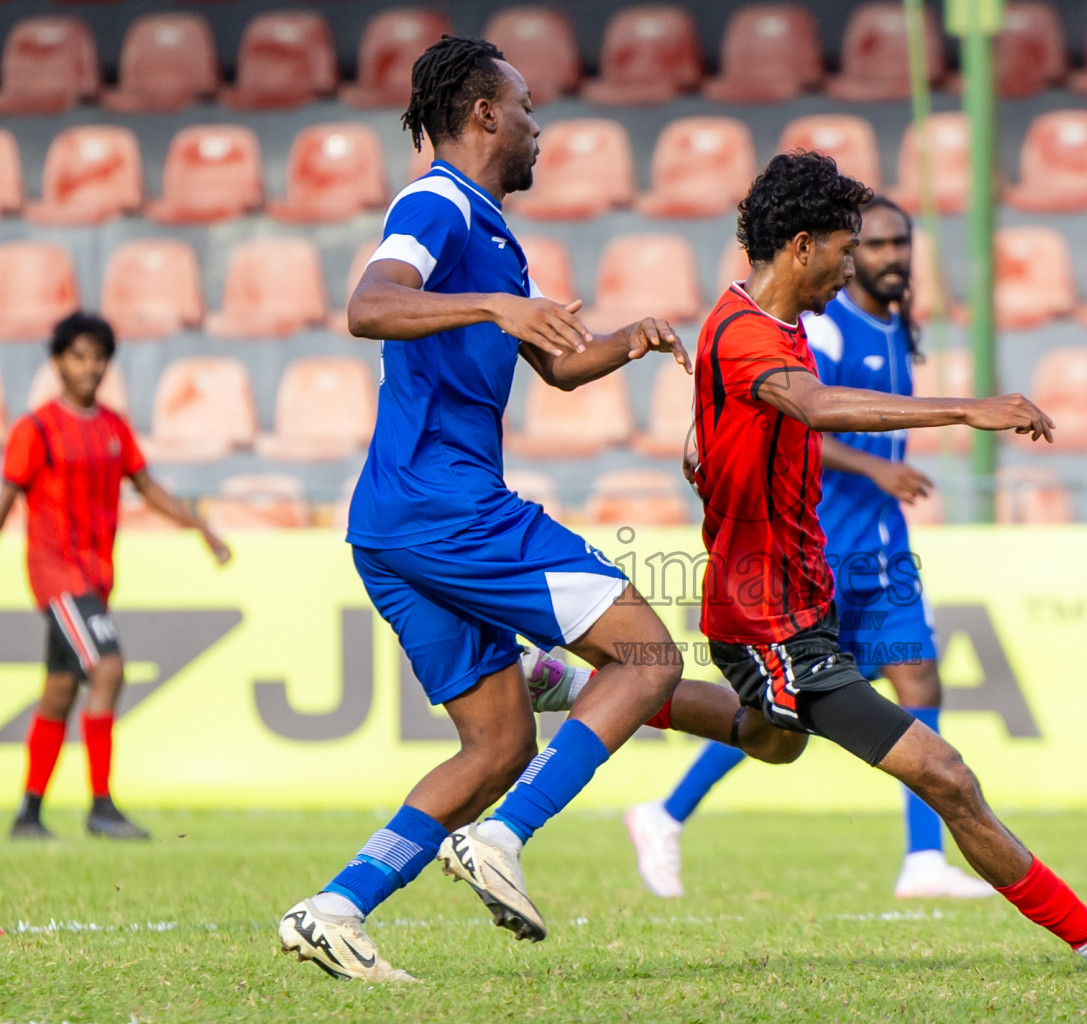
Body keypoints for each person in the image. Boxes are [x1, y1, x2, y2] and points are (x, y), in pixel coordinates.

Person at [278, 37, 798, 984]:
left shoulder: (495, 238)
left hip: (396, 522)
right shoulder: (436, 202)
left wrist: (619, 343)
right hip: (448, 507)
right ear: (483, 114)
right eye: (524, 107)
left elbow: (552, 368)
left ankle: (336, 907)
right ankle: (503, 838)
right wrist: (494, 308)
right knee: (644, 656)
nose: (537, 127)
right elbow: (368, 304)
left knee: (501, 741)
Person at [679, 151, 1087, 980]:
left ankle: (600, 690)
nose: (851, 268)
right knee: (945, 773)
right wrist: (964, 408)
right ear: (801, 246)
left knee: (770, 742)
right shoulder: (746, 333)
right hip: (768, 617)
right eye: (844, 251)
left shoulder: (769, 325)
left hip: (804, 602)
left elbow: (736, 432)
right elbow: (811, 406)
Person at [626, 196, 992, 900]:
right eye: (871, 245)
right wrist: (878, 464)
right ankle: (665, 812)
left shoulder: (892, 329)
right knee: (786, 714)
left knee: (916, 681)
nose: (886, 258)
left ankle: (922, 862)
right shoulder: (821, 330)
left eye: (896, 245)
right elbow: (800, 418)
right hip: (823, 549)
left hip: (883, 547)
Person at [1, 312, 231, 842]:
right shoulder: (35, 429)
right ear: (57, 362)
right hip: (57, 576)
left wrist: (199, 526)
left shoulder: (112, 428)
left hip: (97, 577)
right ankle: (101, 806)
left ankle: (28, 815)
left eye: (99, 356)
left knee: (60, 689)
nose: (91, 366)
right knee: (107, 668)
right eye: (79, 355)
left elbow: (146, 486)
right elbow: (8, 497)